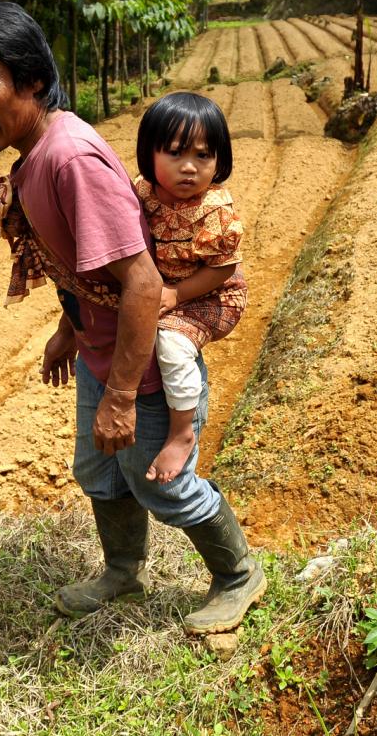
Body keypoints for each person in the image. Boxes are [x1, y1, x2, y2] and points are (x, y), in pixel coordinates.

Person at [0, 1, 265, 634]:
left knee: (162, 485)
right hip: (100, 351)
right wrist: (68, 329)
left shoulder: (70, 161)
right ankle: (123, 572)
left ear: (31, 78)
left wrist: (119, 394)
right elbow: (88, 267)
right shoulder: (37, 155)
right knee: (100, 472)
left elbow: (141, 282)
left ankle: (238, 576)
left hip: (136, 366)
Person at [133, 93, 247, 485]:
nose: (189, 168)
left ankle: (182, 432)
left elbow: (224, 268)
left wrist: (177, 296)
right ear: (149, 154)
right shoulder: (143, 192)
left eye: (203, 156)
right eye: (176, 153)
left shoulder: (213, 209)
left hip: (213, 294)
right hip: (167, 287)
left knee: (171, 345)